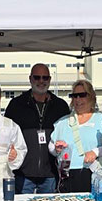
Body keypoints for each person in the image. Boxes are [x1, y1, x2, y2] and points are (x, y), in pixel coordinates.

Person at [4, 63, 70, 194]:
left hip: (50, 173)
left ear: (50, 80)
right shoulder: (16, 104)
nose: (41, 81)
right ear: (30, 79)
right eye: (37, 77)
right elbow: (6, 133)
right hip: (23, 174)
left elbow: (67, 135)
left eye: (45, 78)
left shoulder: (60, 106)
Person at [49, 78, 102, 193]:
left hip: (93, 172)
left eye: (82, 95)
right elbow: (51, 147)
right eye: (74, 96)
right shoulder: (62, 122)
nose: (78, 99)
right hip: (67, 174)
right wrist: (56, 149)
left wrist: (95, 152)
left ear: (91, 97)